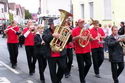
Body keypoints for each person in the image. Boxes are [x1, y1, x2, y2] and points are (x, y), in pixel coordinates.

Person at [42, 19, 68, 83]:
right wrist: (52, 35)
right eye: (53, 24)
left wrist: (68, 32)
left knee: (63, 67)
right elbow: (45, 39)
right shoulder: (46, 31)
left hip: (60, 53)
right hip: (51, 55)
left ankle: (58, 79)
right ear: (50, 25)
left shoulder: (62, 31)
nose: (55, 25)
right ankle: (55, 81)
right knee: (52, 71)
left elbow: (68, 40)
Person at [72, 19, 92, 83]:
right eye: (80, 23)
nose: (82, 24)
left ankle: (83, 76)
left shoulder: (87, 29)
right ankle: (82, 80)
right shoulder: (74, 30)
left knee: (89, 64)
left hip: (87, 49)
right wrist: (78, 37)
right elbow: (72, 39)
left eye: (83, 23)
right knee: (81, 66)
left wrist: (90, 36)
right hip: (79, 51)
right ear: (78, 23)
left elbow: (90, 39)